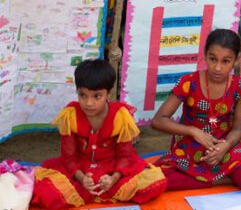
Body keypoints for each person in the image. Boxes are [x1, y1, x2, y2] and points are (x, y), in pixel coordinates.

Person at [31, 59, 166, 209]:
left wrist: (113, 178)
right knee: (46, 192)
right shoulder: (70, 115)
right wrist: (82, 178)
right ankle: (94, 192)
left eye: (96, 96)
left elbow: (125, 156)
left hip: (113, 168)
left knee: (155, 182)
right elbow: (68, 158)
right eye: (83, 95)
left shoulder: (120, 116)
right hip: (79, 171)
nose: (89, 103)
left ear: (109, 93)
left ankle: (101, 192)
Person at [151, 29, 241, 190]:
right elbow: (158, 121)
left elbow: (238, 129)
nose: (217, 68)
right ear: (205, 54)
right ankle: (220, 179)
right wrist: (193, 131)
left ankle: (202, 179)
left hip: (223, 144)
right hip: (190, 144)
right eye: (212, 59)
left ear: (236, 60)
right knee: (162, 178)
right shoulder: (188, 82)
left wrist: (224, 147)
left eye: (225, 61)